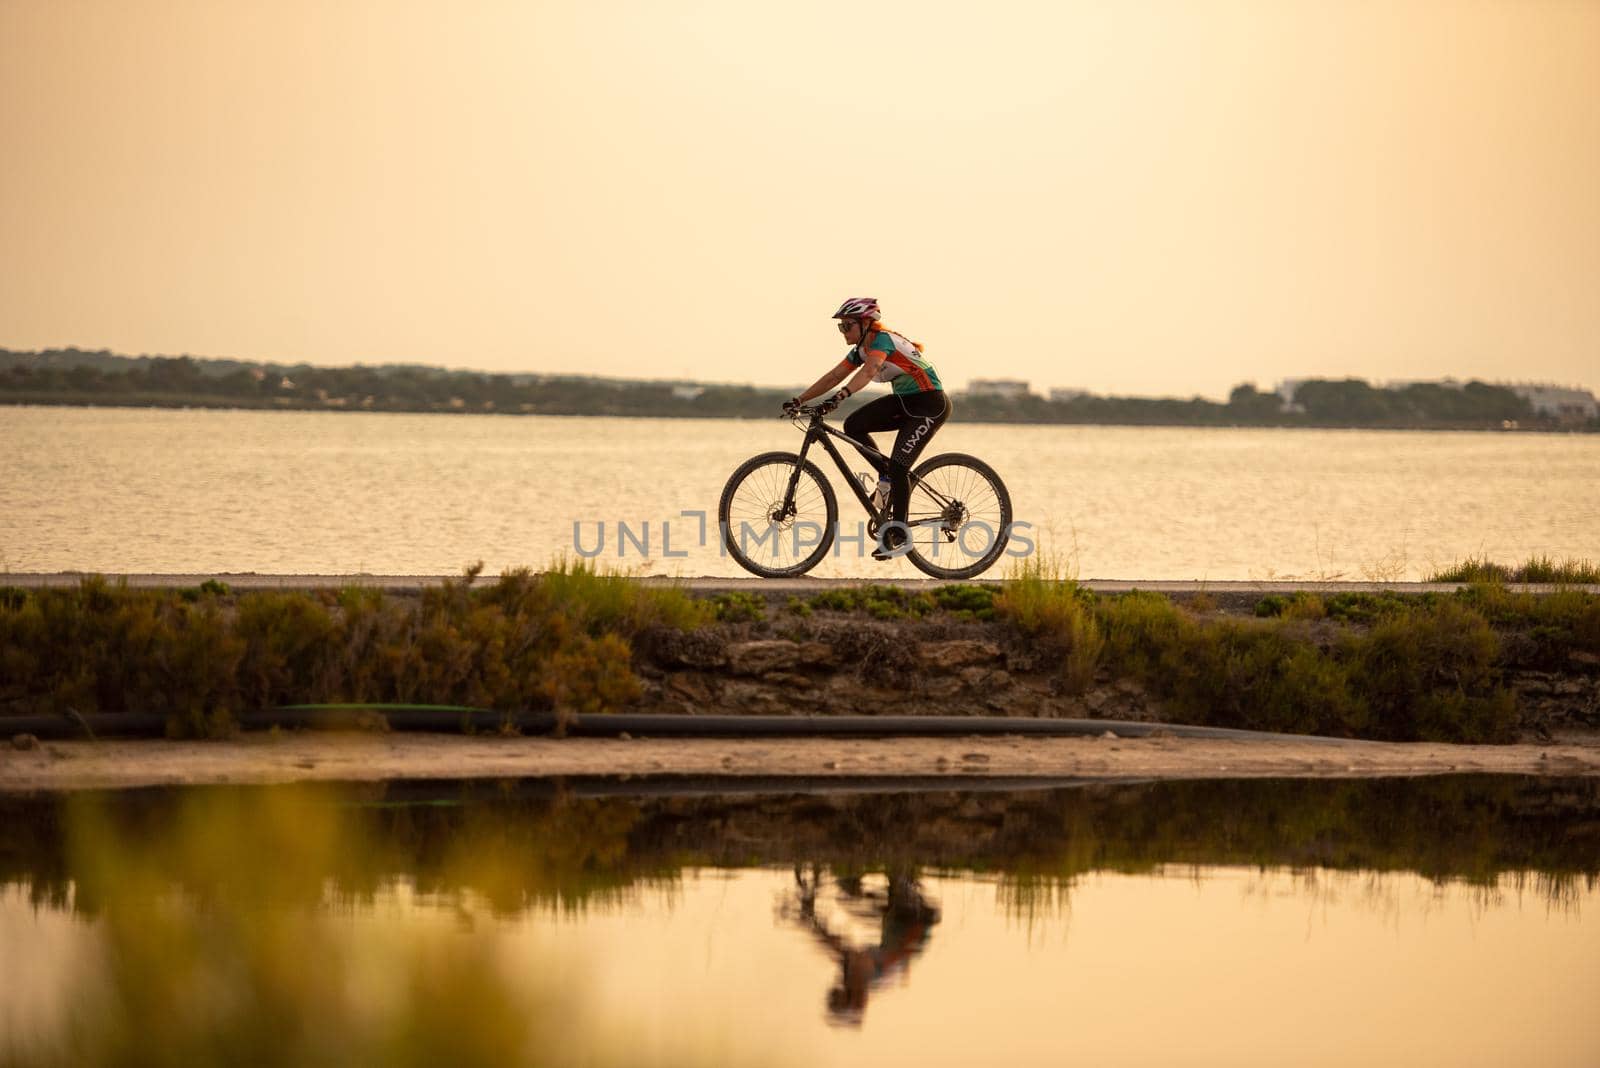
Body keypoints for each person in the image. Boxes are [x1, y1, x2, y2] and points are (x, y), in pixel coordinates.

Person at [784, 297, 951, 560]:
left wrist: (841, 396)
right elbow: (833, 376)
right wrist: (800, 399)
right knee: (854, 425)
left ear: (865, 324)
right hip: (906, 402)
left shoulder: (882, 339)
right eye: (840, 327)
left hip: (929, 405)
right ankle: (886, 476)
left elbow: (869, 371)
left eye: (847, 326)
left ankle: (898, 534)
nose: (843, 332)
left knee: (899, 467)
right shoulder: (861, 348)